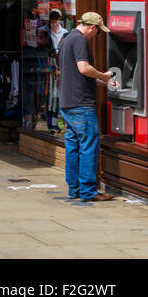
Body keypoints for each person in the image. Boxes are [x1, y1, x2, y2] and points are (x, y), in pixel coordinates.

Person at [60, 12, 118, 202]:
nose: (96, 36)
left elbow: (81, 76)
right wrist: (104, 76)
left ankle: (75, 189)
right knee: (89, 146)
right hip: (81, 105)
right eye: (98, 32)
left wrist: (105, 82)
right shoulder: (80, 40)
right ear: (92, 28)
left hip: (68, 103)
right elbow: (84, 68)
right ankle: (88, 191)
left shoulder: (67, 38)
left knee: (73, 146)